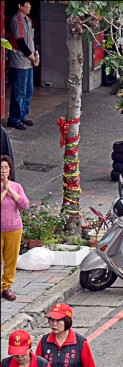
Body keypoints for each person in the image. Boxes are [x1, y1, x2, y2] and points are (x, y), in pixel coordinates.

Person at [1, 156, 29, 301]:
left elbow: (24, 205)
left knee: (11, 259)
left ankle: (6, 287)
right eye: (1, 168)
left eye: (5, 168)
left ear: (10, 170)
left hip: (14, 228)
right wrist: (4, 191)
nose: (3, 171)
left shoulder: (16, 186)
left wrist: (10, 190)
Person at [7, 1, 38, 130]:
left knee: (28, 90)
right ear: (20, 6)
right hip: (20, 61)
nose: (30, 6)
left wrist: (36, 54)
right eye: (27, 4)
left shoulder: (28, 20)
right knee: (19, 92)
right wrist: (32, 57)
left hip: (29, 61)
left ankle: (23, 116)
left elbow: (31, 39)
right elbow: (20, 43)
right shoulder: (16, 20)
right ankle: (14, 118)